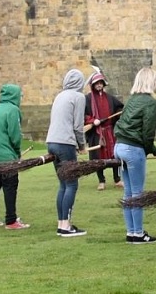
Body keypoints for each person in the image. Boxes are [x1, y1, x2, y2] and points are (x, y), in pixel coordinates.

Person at [114, 67, 156, 244]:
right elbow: (147, 133)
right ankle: (138, 234)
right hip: (132, 149)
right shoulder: (150, 102)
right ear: (151, 82)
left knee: (129, 194)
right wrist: (152, 150)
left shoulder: (131, 100)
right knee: (137, 194)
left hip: (119, 146)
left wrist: (155, 152)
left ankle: (131, 232)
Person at [46, 69, 88, 237]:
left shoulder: (59, 95)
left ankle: (62, 223)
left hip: (52, 142)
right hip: (65, 144)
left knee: (63, 184)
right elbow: (78, 125)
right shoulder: (78, 97)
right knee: (71, 184)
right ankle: (66, 226)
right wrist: (82, 145)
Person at [0, 84, 29, 229]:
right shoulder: (13, 110)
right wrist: (17, 153)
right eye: (20, 95)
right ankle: (11, 220)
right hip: (4, 155)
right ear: (14, 95)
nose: (21, 98)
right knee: (10, 185)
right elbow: (15, 135)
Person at [84, 72, 124, 191]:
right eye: (97, 83)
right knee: (98, 158)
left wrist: (120, 114)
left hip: (110, 131)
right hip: (96, 133)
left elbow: (120, 108)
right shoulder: (88, 99)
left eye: (101, 83)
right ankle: (101, 181)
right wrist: (93, 120)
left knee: (114, 155)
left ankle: (117, 179)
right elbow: (83, 115)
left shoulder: (110, 98)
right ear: (93, 85)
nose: (99, 85)